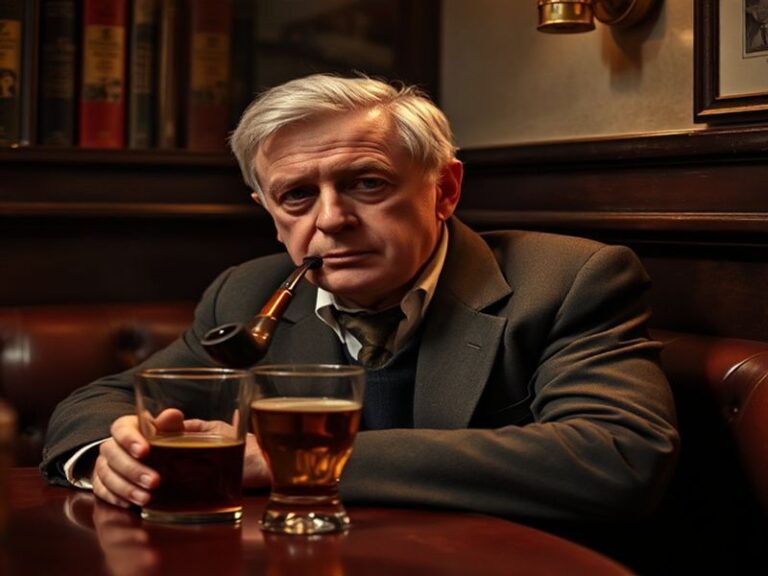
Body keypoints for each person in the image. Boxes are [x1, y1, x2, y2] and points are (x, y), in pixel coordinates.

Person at [42, 74, 679, 525]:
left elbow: (617, 456)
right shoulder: (248, 290)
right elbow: (105, 399)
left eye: (367, 184)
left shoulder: (570, 279)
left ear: (445, 190)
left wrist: (292, 460)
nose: (332, 220)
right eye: (297, 196)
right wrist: (113, 451)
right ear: (271, 215)